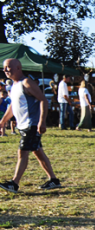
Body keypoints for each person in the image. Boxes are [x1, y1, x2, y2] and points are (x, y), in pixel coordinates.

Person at [0, 59, 61, 194]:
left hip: (31, 124)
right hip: (23, 125)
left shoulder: (26, 83)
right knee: (37, 151)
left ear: (18, 68)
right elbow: (12, 106)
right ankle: (53, 180)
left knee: (22, 152)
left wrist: (42, 121)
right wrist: (3, 121)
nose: (5, 70)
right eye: (4, 68)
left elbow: (43, 100)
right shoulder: (14, 85)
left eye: (8, 67)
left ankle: (14, 183)